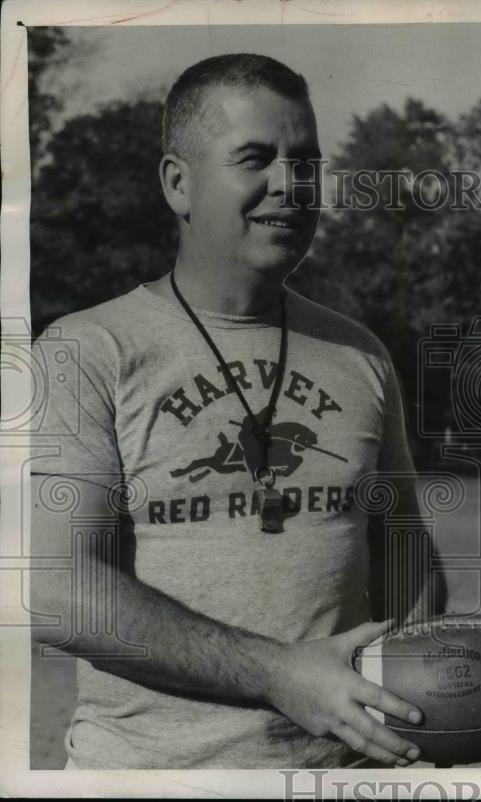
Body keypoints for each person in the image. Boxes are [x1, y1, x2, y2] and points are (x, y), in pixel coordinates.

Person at [30, 54, 435, 770]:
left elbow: (407, 560)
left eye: (306, 161)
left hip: (344, 777)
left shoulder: (359, 353)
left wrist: (438, 700)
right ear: (178, 183)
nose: (290, 184)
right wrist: (279, 673)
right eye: (255, 158)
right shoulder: (85, 350)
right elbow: (62, 590)